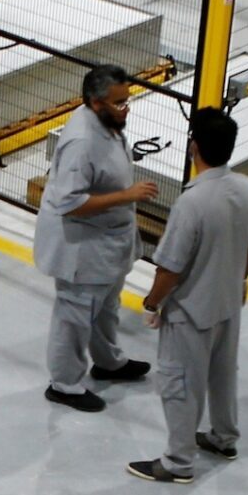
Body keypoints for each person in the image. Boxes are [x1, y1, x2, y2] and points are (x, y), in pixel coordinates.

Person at [128, 110, 248, 484]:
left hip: (191, 311)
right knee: (223, 375)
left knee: (180, 383)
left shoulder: (193, 203)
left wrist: (152, 303)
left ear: (194, 147)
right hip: (228, 303)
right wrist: (235, 279)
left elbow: (170, 268)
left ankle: (177, 462)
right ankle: (223, 437)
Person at [33, 64, 154, 412]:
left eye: (127, 101)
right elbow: (70, 204)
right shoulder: (81, 143)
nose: (126, 108)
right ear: (94, 102)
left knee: (105, 308)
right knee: (75, 316)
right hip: (81, 249)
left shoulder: (105, 122)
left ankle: (108, 362)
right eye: (118, 103)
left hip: (107, 242)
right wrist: (127, 196)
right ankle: (65, 384)